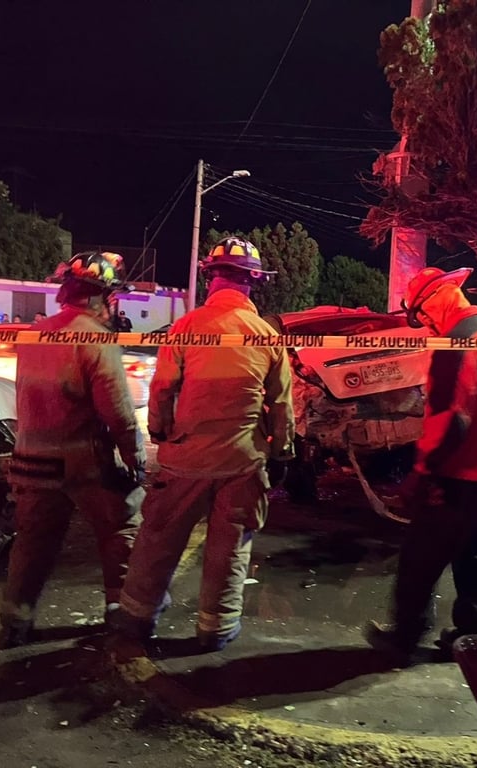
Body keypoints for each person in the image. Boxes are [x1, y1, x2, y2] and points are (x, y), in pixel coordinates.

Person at [110, 236, 295, 651]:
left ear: (211, 278)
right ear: (253, 282)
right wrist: (282, 452)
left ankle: (136, 617)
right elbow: (282, 403)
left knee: (159, 539)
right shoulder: (266, 335)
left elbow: (162, 390)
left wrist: (162, 432)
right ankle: (216, 628)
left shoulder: (185, 327)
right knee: (230, 547)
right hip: (243, 460)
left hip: (186, 458)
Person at [365, 266, 477, 663]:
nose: (426, 326)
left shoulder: (454, 345)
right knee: (476, 556)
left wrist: (420, 475)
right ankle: (473, 636)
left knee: (419, 559)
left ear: (433, 302)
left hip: (461, 475)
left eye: (422, 317)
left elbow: (449, 421)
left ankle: (404, 639)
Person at [0, 251, 146, 647]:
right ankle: (121, 611)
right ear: (102, 296)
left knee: (33, 540)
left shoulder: (36, 334)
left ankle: (15, 620)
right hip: (84, 460)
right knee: (121, 527)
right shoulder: (95, 338)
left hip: (32, 458)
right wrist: (134, 456)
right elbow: (117, 410)